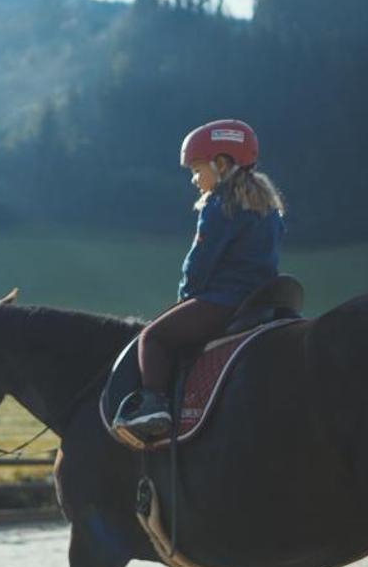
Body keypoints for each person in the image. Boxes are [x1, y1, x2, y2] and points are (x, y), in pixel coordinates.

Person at [111, 119, 285, 443]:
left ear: (222, 164)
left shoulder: (219, 205)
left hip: (223, 301)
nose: (194, 179)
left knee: (153, 337)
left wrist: (185, 298)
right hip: (261, 299)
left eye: (196, 168)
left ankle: (154, 409)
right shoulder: (269, 207)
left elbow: (200, 263)